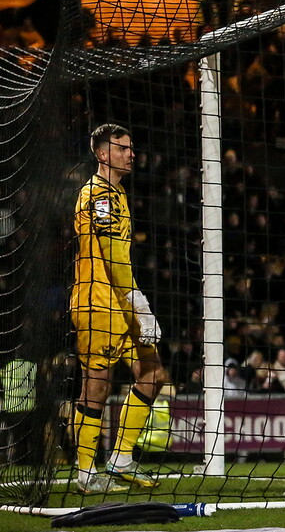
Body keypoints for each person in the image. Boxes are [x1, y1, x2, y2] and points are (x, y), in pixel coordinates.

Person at [70, 124, 166, 494]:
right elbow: (111, 258)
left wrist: (132, 303)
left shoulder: (119, 193)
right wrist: (139, 303)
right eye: (123, 148)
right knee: (96, 386)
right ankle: (84, 472)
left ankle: (121, 458)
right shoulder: (97, 196)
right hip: (98, 303)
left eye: (132, 147)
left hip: (121, 302)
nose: (132, 153)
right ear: (102, 153)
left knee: (153, 374)